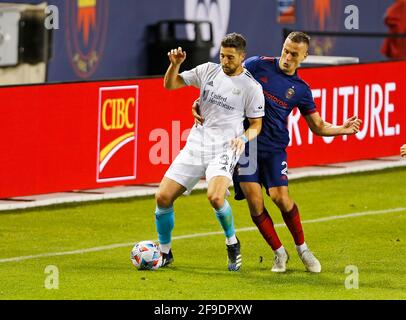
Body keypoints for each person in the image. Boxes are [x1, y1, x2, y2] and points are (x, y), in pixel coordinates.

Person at [193, 31, 362, 273]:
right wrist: (200, 102)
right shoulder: (257, 65)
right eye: (285, 50)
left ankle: (302, 248)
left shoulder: (301, 90)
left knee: (280, 197)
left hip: (274, 150)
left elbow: (318, 126)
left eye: (294, 54)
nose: (287, 57)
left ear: (304, 56)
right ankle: (278, 253)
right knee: (255, 202)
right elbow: (224, 79)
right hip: (245, 147)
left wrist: (341, 129)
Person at [155, 33, 265, 271]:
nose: (225, 61)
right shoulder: (208, 70)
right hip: (197, 143)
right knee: (162, 197)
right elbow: (170, 84)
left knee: (215, 197)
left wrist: (243, 138)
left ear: (242, 57)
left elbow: (257, 125)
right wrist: (174, 65)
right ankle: (165, 253)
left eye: (231, 57)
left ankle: (232, 242)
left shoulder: (251, 87)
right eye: (222, 56)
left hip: (225, 148)